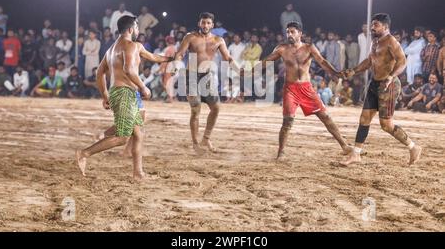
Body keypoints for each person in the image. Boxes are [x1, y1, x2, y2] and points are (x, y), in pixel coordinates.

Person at [261, 21, 352, 160]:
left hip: (306, 88)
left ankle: (345, 146)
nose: (289, 34)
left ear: (300, 34)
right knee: (287, 121)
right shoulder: (281, 48)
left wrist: (335, 73)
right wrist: (248, 71)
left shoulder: (309, 48)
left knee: (325, 117)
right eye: (287, 32)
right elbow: (266, 61)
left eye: (292, 31)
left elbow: (322, 62)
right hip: (290, 89)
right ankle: (281, 152)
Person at [340, 13, 422, 166]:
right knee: (364, 119)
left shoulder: (391, 41)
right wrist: (354, 71)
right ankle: (356, 154)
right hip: (374, 84)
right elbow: (370, 60)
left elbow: (402, 61)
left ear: (385, 27)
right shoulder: (375, 41)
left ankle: (413, 147)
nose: (372, 27)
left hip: (388, 85)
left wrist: (391, 76)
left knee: (386, 125)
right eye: (372, 24)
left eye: (375, 25)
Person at [76, 16, 147, 181]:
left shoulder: (112, 49)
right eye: (136, 27)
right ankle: (84, 153)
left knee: (139, 132)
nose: (138, 30)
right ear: (131, 29)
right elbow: (128, 71)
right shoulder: (128, 46)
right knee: (123, 137)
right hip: (125, 93)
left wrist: (105, 95)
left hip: (126, 93)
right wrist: (144, 87)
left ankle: (138, 173)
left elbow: (99, 73)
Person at [172, 12, 240, 154]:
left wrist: (239, 70)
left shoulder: (218, 40)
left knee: (216, 108)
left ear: (212, 25)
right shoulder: (190, 37)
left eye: (208, 23)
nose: (205, 25)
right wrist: (176, 65)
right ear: (199, 23)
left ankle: (206, 138)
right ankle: (196, 143)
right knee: (196, 110)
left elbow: (227, 57)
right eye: (203, 22)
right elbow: (180, 53)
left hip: (208, 77)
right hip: (191, 77)